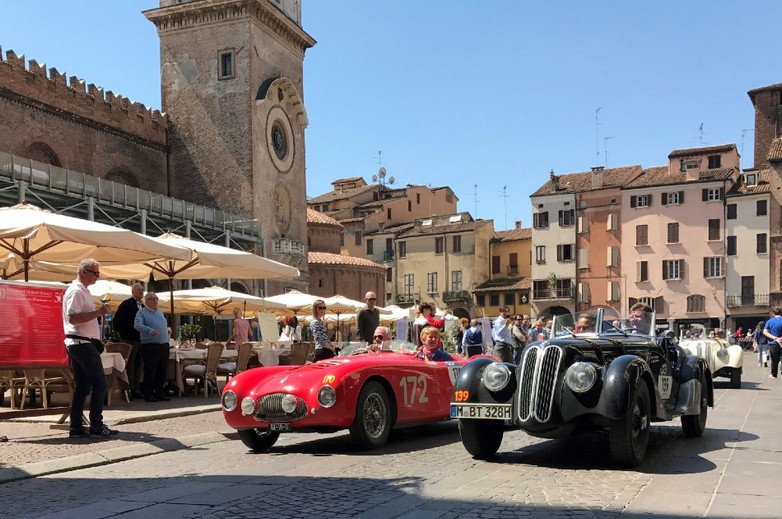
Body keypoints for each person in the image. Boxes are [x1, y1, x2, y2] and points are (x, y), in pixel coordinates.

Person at [62, 258, 118, 438]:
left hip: (81, 343)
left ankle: (76, 427)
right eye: (96, 273)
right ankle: (96, 425)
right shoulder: (76, 291)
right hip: (81, 343)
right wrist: (99, 312)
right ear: (84, 272)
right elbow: (73, 318)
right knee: (100, 383)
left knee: (84, 386)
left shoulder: (83, 291)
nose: (98, 276)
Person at [134, 292, 170, 402]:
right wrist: (149, 330)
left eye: (156, 298)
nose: (155, 301)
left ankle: (160, 393)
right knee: (151, 370)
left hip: (163, 344)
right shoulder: (141, 312)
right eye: (152, 299)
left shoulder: (160, 312)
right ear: (146, 301)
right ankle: (148, 394)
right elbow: (137, 325)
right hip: (150, 345)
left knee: (162, 370)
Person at [112, 282, 144, 399]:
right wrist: (124, 333)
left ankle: (136, 389)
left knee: (139, 365)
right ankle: (127, 390)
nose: (141, 291)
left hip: (141, 340)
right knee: (129, 365)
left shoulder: (143, 306)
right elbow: (116, 322)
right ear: (133, 292)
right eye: (139, 290)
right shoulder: (126, 304)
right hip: (129, 340)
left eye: (142, 290)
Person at [763, 308, 782, 379]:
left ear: (773, 313)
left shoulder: (770, 321)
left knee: (774, 359)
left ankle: (774, 374)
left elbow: (765, 332)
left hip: (773, 342)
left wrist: (774, 337)